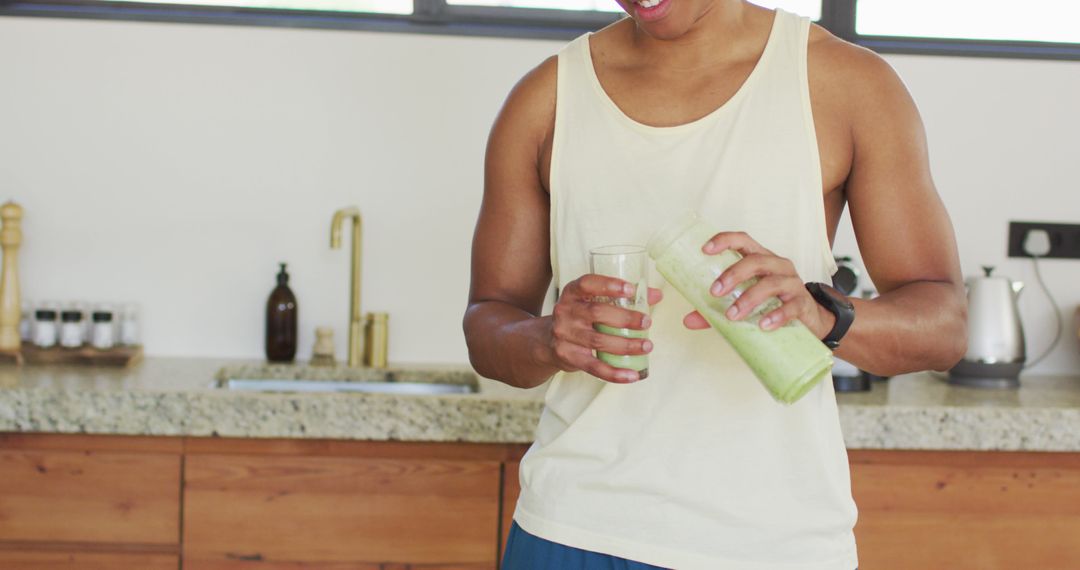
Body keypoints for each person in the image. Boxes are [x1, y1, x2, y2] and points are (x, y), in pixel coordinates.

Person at [464, 0, 967, 567]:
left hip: (777, 542)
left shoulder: (845, 83)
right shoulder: (546, 100)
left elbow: (944, 325)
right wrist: (546, 338)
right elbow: (488, 318)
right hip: (576, 527)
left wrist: (822, 315)